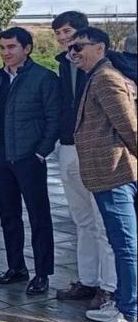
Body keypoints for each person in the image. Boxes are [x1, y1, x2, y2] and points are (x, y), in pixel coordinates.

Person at [71, 27, 137, 322]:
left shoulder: (106, 78)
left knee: (125, 246)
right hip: (108, 174)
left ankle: (128, 310)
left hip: (114, 174)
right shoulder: (97, 76)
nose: (74, 53)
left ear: (100, 47)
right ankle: (124, 304)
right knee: (121, 243)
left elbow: (129, 127)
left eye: (79, 47)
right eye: (71, 48)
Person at [51, 11, 117, 308]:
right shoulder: (64, 66)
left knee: (105, 223)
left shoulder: (106, 67)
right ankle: (88, 280)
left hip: (97, 151)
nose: (65, 40)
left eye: (69, 33)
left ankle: (110, 287)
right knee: (82, 220)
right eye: (59, 35)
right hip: (68, 148)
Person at [0, 27, 59, 296]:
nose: (6, 53)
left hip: (30, 159)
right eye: (3, 48)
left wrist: (41, 152)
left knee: (39, 216)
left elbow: (53, 119)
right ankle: (16, 267)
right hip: (1, 158)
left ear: (26, 48)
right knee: (9, 216)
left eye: (11, 47)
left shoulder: (44, 78)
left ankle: (42, 273)